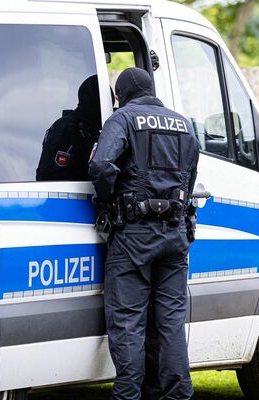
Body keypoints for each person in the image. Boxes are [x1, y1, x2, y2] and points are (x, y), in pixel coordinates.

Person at [89, 67, 199, 400]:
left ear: (121, 95)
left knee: (127, 322)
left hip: (135, 235)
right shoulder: (183, 124)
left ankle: (127, 396)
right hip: (175, 235)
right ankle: (179, 395)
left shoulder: (122, 119)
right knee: (170, 323)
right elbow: (191, 175)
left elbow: (100, 166)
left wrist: (108, 200)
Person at [36, 75, 109, 181]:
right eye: (104, 105)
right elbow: (52, 176)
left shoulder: (87, 129)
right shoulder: (67, 129)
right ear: (93, 103)